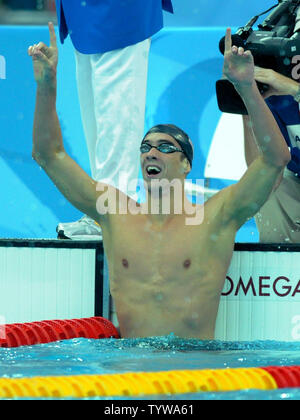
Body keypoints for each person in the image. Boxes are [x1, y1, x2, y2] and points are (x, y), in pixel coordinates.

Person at [29, 25, 290, 339]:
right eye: (145, 147)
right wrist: (46, 86)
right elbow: (48, 155)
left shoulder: (217, 216)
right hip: (129, 374)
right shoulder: (114, 212)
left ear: (185, 164)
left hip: (194, 373)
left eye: (165, 147)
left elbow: (275, 159)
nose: (151, 153)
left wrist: (247, 88)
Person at [54, 0, 174, 240]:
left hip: (120, 9)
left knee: (117, 115)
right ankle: (101, 209)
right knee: (97, 121)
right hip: (82, 11)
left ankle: (113, 212)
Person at [243, 67, 300, 243]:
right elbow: (259, 171)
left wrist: (295, 89)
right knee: (267, 184)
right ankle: (279, 263)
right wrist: (247, 103)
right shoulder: (276, 97)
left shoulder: (286, 88)